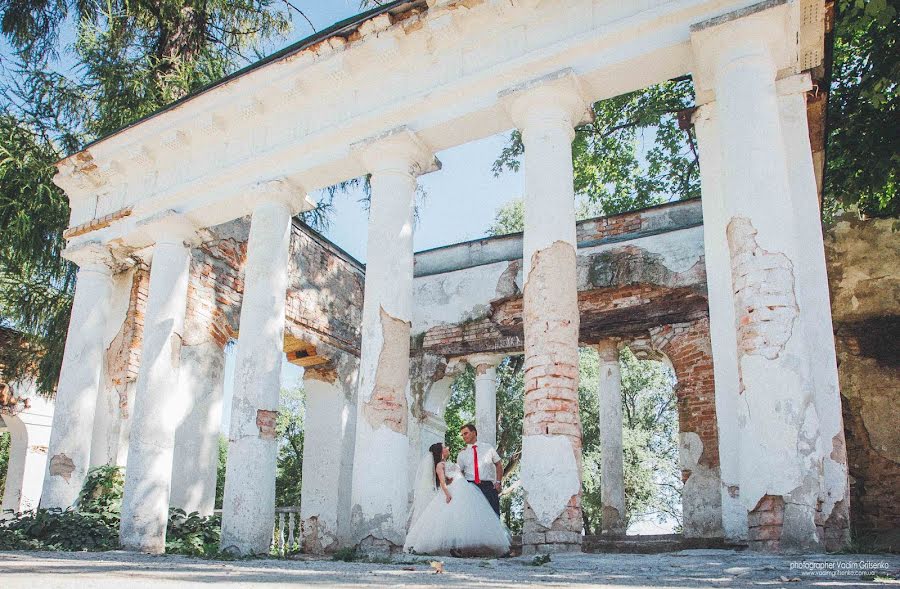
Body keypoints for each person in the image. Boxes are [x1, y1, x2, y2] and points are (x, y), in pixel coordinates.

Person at [403, 442, 510, 557]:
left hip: (465, 489)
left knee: (465, 517)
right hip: (454, 492)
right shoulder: (440, 465)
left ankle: (465, 547)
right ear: (440, 451)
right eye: (444, 447)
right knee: (453, 519)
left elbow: (455, 475)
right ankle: (454, 547)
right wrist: (448, 494)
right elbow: (443, 482)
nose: (447, 447)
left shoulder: (449, 462)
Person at [456, 423, 503, 517]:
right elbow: (459, 472)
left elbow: (498, 464)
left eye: (466, 433)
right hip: (471, 488)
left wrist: (498, 482)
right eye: (462, 435)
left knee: (493, 516)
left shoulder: (488, 448)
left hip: (488, 487)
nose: (463, 437)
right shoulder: (462, 454)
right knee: (473, 518)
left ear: (473, 433)